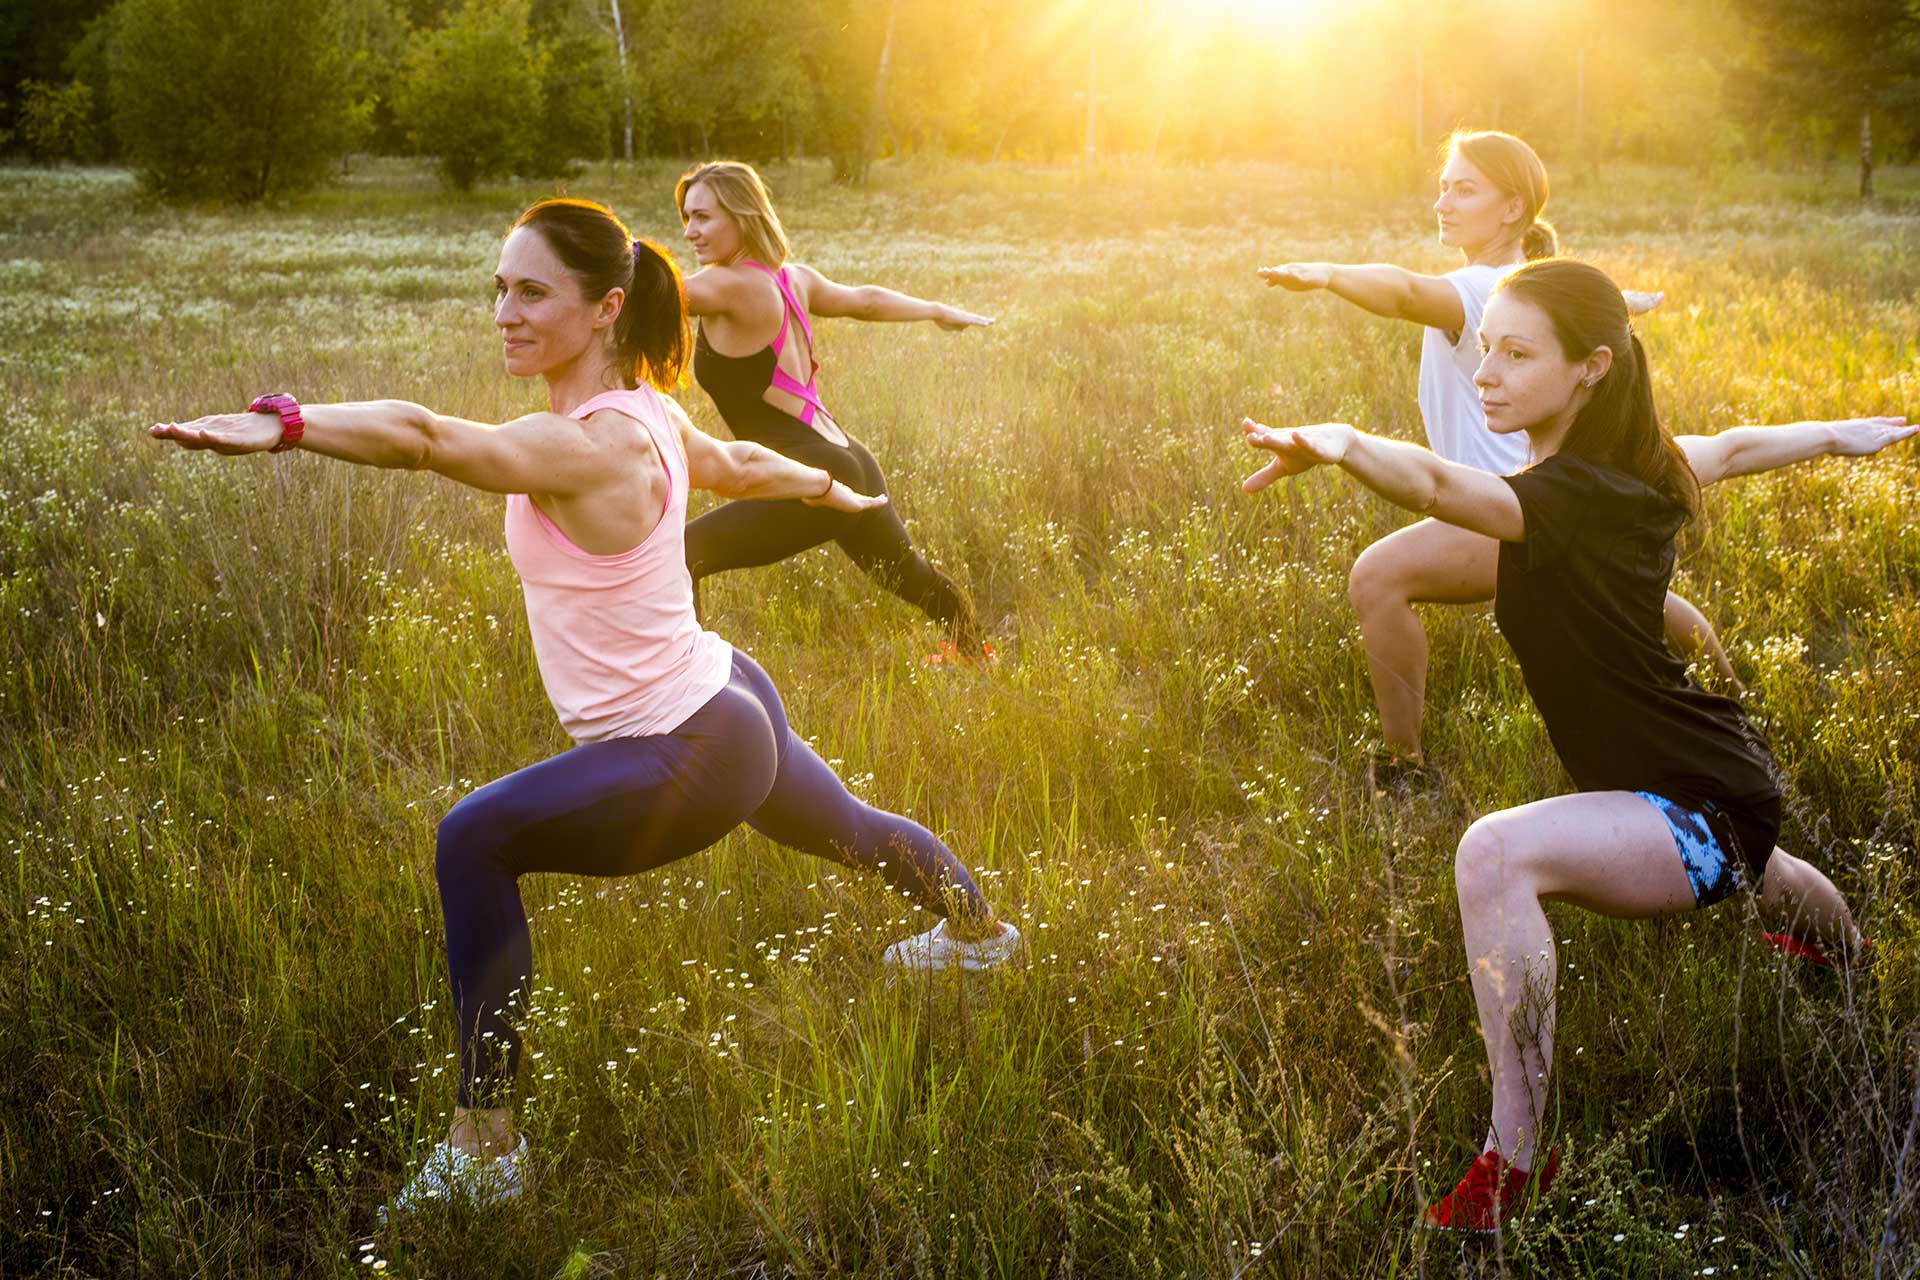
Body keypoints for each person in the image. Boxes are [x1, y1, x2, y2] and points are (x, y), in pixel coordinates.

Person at [148, 197, 1021, 1218]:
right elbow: (738, 466)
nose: (505, 312)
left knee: (473, 836)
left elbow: (425, 436)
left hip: (690, 742)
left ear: (605, 308)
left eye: (531, 292)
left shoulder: (587, 446)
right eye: (499, 289)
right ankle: (981, 935)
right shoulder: (650, 408)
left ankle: (485, 1150)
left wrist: (287, 424)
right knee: (851, 826)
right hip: (727, 688)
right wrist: (837, 494)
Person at [1239, 258, 1893, 1232]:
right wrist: (1842, 433)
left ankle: (1517, 1159)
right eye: (1485, 348)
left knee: (1495, 850)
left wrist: (1339, 440)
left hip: (1694, 798)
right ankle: (1847, 955)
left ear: (1590, 366)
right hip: (1700, 770)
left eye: (1514, 353)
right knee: (1764, 853)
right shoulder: (1640, 464)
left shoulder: (1567, 495)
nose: (1486, 372)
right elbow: (1741, 444)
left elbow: (1426, 476)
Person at [1257, 130, 1885, 789]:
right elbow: (1730, 449)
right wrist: (1839, 434)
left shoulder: (1480, 290)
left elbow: (1408, 296)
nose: (1443, 200)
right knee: (1637, 602)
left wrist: (1330, 276)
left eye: (1463, 187)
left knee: (1378, 577)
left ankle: (1403, 765)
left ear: (1513, 208)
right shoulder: (1523, 288)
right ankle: (1741, 717)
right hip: (1562, 501)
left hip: (1515, 503)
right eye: (1443, 184)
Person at [675, 160, 996, 666]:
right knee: (909, 574)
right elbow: (864, 301)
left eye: (704, 218)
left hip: (813, 472)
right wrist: (936, 309)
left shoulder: (728, 287)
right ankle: (980, 658)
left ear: (742, 215)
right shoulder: (794, 278)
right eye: (687, 217)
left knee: (681, 553)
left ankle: (683, 688)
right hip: (850, 460)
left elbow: (647, 293)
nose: (690, 231)